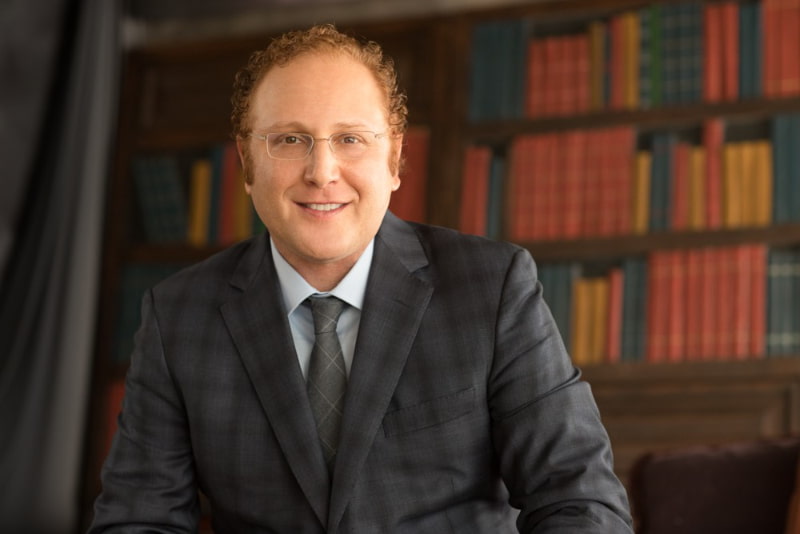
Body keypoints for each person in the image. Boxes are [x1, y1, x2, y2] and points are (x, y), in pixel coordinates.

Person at [89, 23, 633, 533]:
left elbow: (578, 498)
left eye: (350, 138)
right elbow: (140, 517)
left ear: (394, 158)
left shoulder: (492, 288)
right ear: (248, 165)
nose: (322, 171)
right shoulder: (177, 314)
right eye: (288, 139)